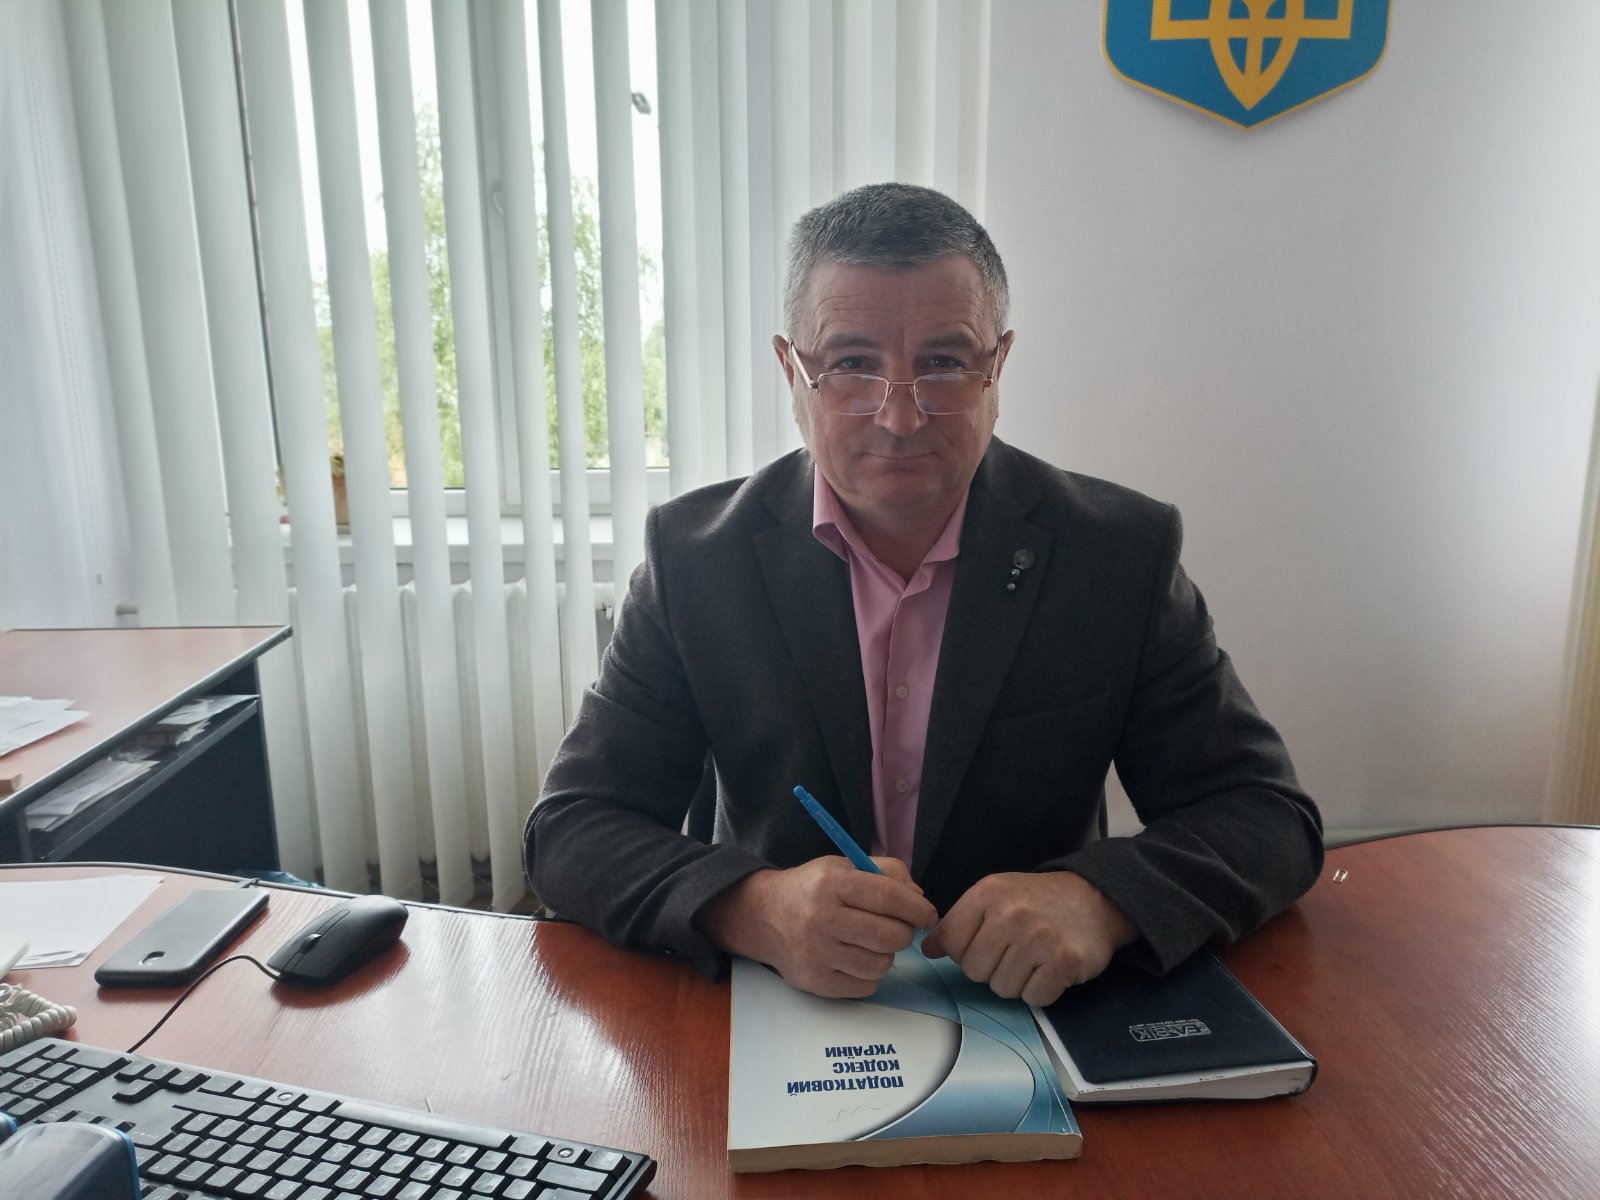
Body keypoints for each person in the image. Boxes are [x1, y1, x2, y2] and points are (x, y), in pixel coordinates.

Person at [526, 183, 1322, 1007]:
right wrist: (752, 909)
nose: (900, 418)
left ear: (997, 366)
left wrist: (1101, 900)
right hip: (781, 1007)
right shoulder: (697, 559)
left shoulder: (1117, 556)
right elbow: (571, 830)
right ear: (792, 371)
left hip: (1031, 1004)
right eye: (851, 365)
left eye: (943, 363)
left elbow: (1266, 817)